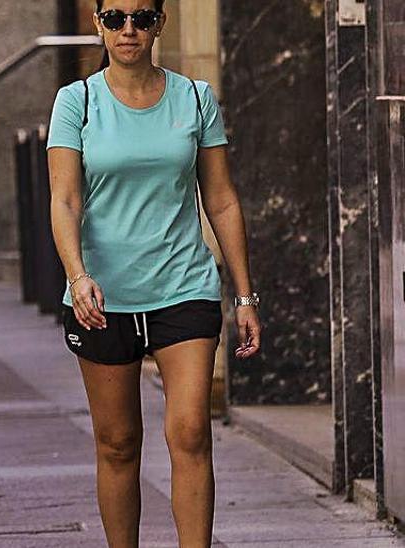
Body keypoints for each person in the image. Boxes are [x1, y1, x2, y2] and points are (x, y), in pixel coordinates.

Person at [47, 1, 262, 546]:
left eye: (141, 18)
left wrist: (244, 296)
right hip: (102, 295)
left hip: (183, 286)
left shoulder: (194, 98)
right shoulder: (77, 102)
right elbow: (64, 199)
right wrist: (77, 275)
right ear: (98, 23)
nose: (128, 30)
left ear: (159, 25)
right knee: (118, 442)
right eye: (115, 17)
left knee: (190, 433)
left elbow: (222, 199)